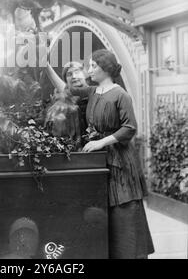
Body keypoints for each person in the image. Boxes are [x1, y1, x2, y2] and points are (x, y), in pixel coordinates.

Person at [46, 50, 154, 259]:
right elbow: (65, 88)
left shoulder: (120, 94)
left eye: (93, 66)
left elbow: (130, 128)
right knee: (106, 216)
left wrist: (101, 142)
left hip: (121, 164)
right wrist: (46, 65)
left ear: (105, 68)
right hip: (100, 161)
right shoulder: (93, 92)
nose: (89, 70)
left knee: (124, 212)